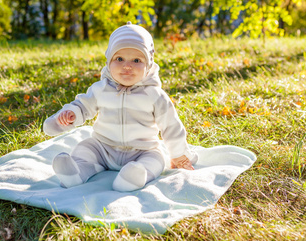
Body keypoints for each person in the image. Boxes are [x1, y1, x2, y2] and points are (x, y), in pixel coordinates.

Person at [43, 22, 198, 192]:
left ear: (148, 64)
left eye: (137, 60)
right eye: (119, 59)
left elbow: (171, 126)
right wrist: (69, 115)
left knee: (157, 159)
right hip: (103, 147)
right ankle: (75, 173)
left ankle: (134, 177)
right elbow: (83, 106)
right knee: (85, 148)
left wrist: (178, 154)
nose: (127, 66)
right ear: (109, 61)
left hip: (142, 150)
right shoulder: (100, 89)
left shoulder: (154, 95)